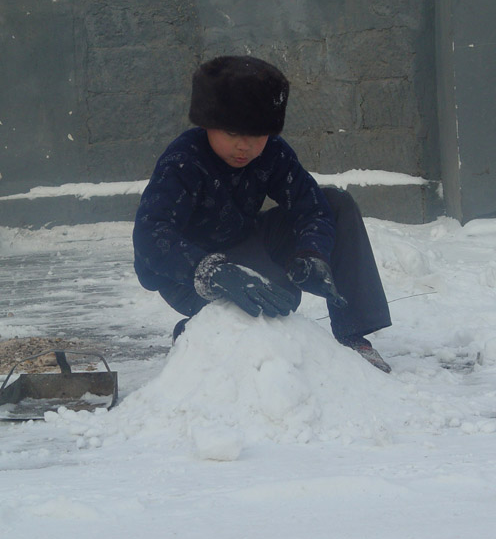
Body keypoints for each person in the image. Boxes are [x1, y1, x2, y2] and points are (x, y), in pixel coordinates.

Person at [132, 56, 392, 373]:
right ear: (207, 124)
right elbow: (151, 235)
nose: (244, 146)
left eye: (256, 135)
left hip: (245, 244)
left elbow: (312, 207)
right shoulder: (183, 161)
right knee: (271, 300)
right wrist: (210, 271)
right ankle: (195, 334)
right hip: (188, 273)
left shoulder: (272, 153)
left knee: (337, 204)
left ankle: (354, 337)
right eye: (231, 133)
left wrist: (313, 253)